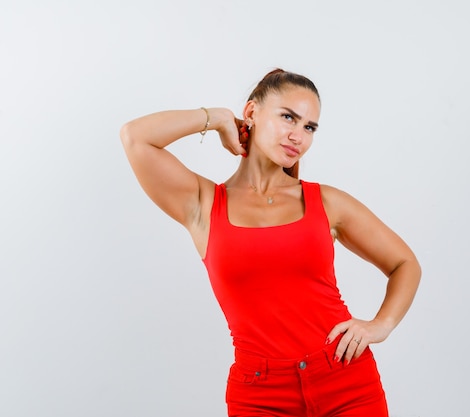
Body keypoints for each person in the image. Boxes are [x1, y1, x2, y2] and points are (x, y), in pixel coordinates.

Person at [120, 68, 421, 416]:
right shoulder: (203, 204)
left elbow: (404, 264)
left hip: (346, 379)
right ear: (251, 113)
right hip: (260, 395)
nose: (299, 136)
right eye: (288, 117)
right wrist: (215, 118)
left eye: (309, 127)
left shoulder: (325, 202)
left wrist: (380, 325)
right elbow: (135, 137)